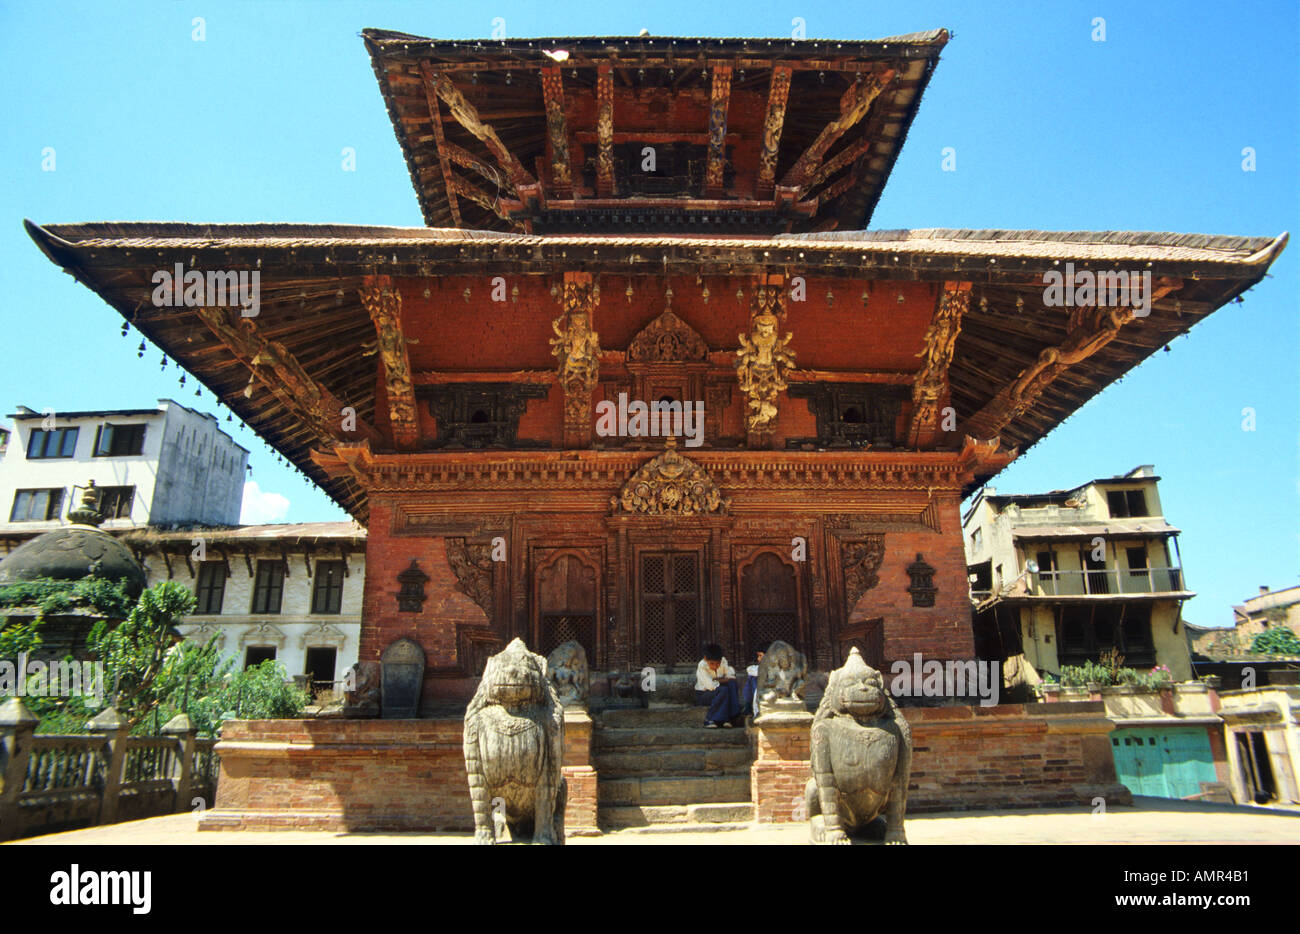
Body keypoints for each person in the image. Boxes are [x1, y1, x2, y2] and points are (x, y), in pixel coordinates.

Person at [695, 643, 741, 728]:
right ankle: (710, 718)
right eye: (712, 663)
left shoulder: (723, 661)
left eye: (718, 663)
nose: (715, 666)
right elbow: (711, 686)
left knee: (732, 684)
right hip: (704, 694)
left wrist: (719, 679)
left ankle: (732, 717)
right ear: (705, 659)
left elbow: (731, 675)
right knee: (723, 690)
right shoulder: (702, 666)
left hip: (721, 690)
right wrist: (723, 679)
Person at [742, 642, 768, 717]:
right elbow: (750, 669)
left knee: (753, 679)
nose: (758, 659)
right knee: (752, 678)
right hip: (760, 689)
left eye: (760, 656)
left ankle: (748, 704)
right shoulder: (762, 668)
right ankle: (748, 705)